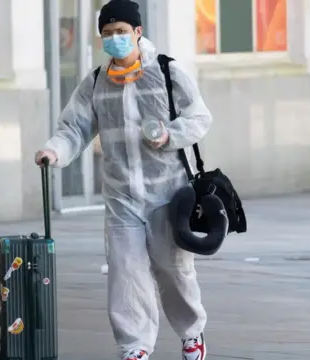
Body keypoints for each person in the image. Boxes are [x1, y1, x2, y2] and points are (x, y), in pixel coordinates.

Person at [34, 1, 212, 359]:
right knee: (125, 272)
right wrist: (54, 151)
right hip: (121, 196)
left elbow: (199, 117)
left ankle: (192, 335)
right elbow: (74, 126)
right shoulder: (97, 81)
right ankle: (135, 346)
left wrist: (169, 134)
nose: (115, 39)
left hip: (167, 191)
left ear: (138, 32)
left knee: (173, 269)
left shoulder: (166, 71)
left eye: (121, 32)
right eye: (108, 33)